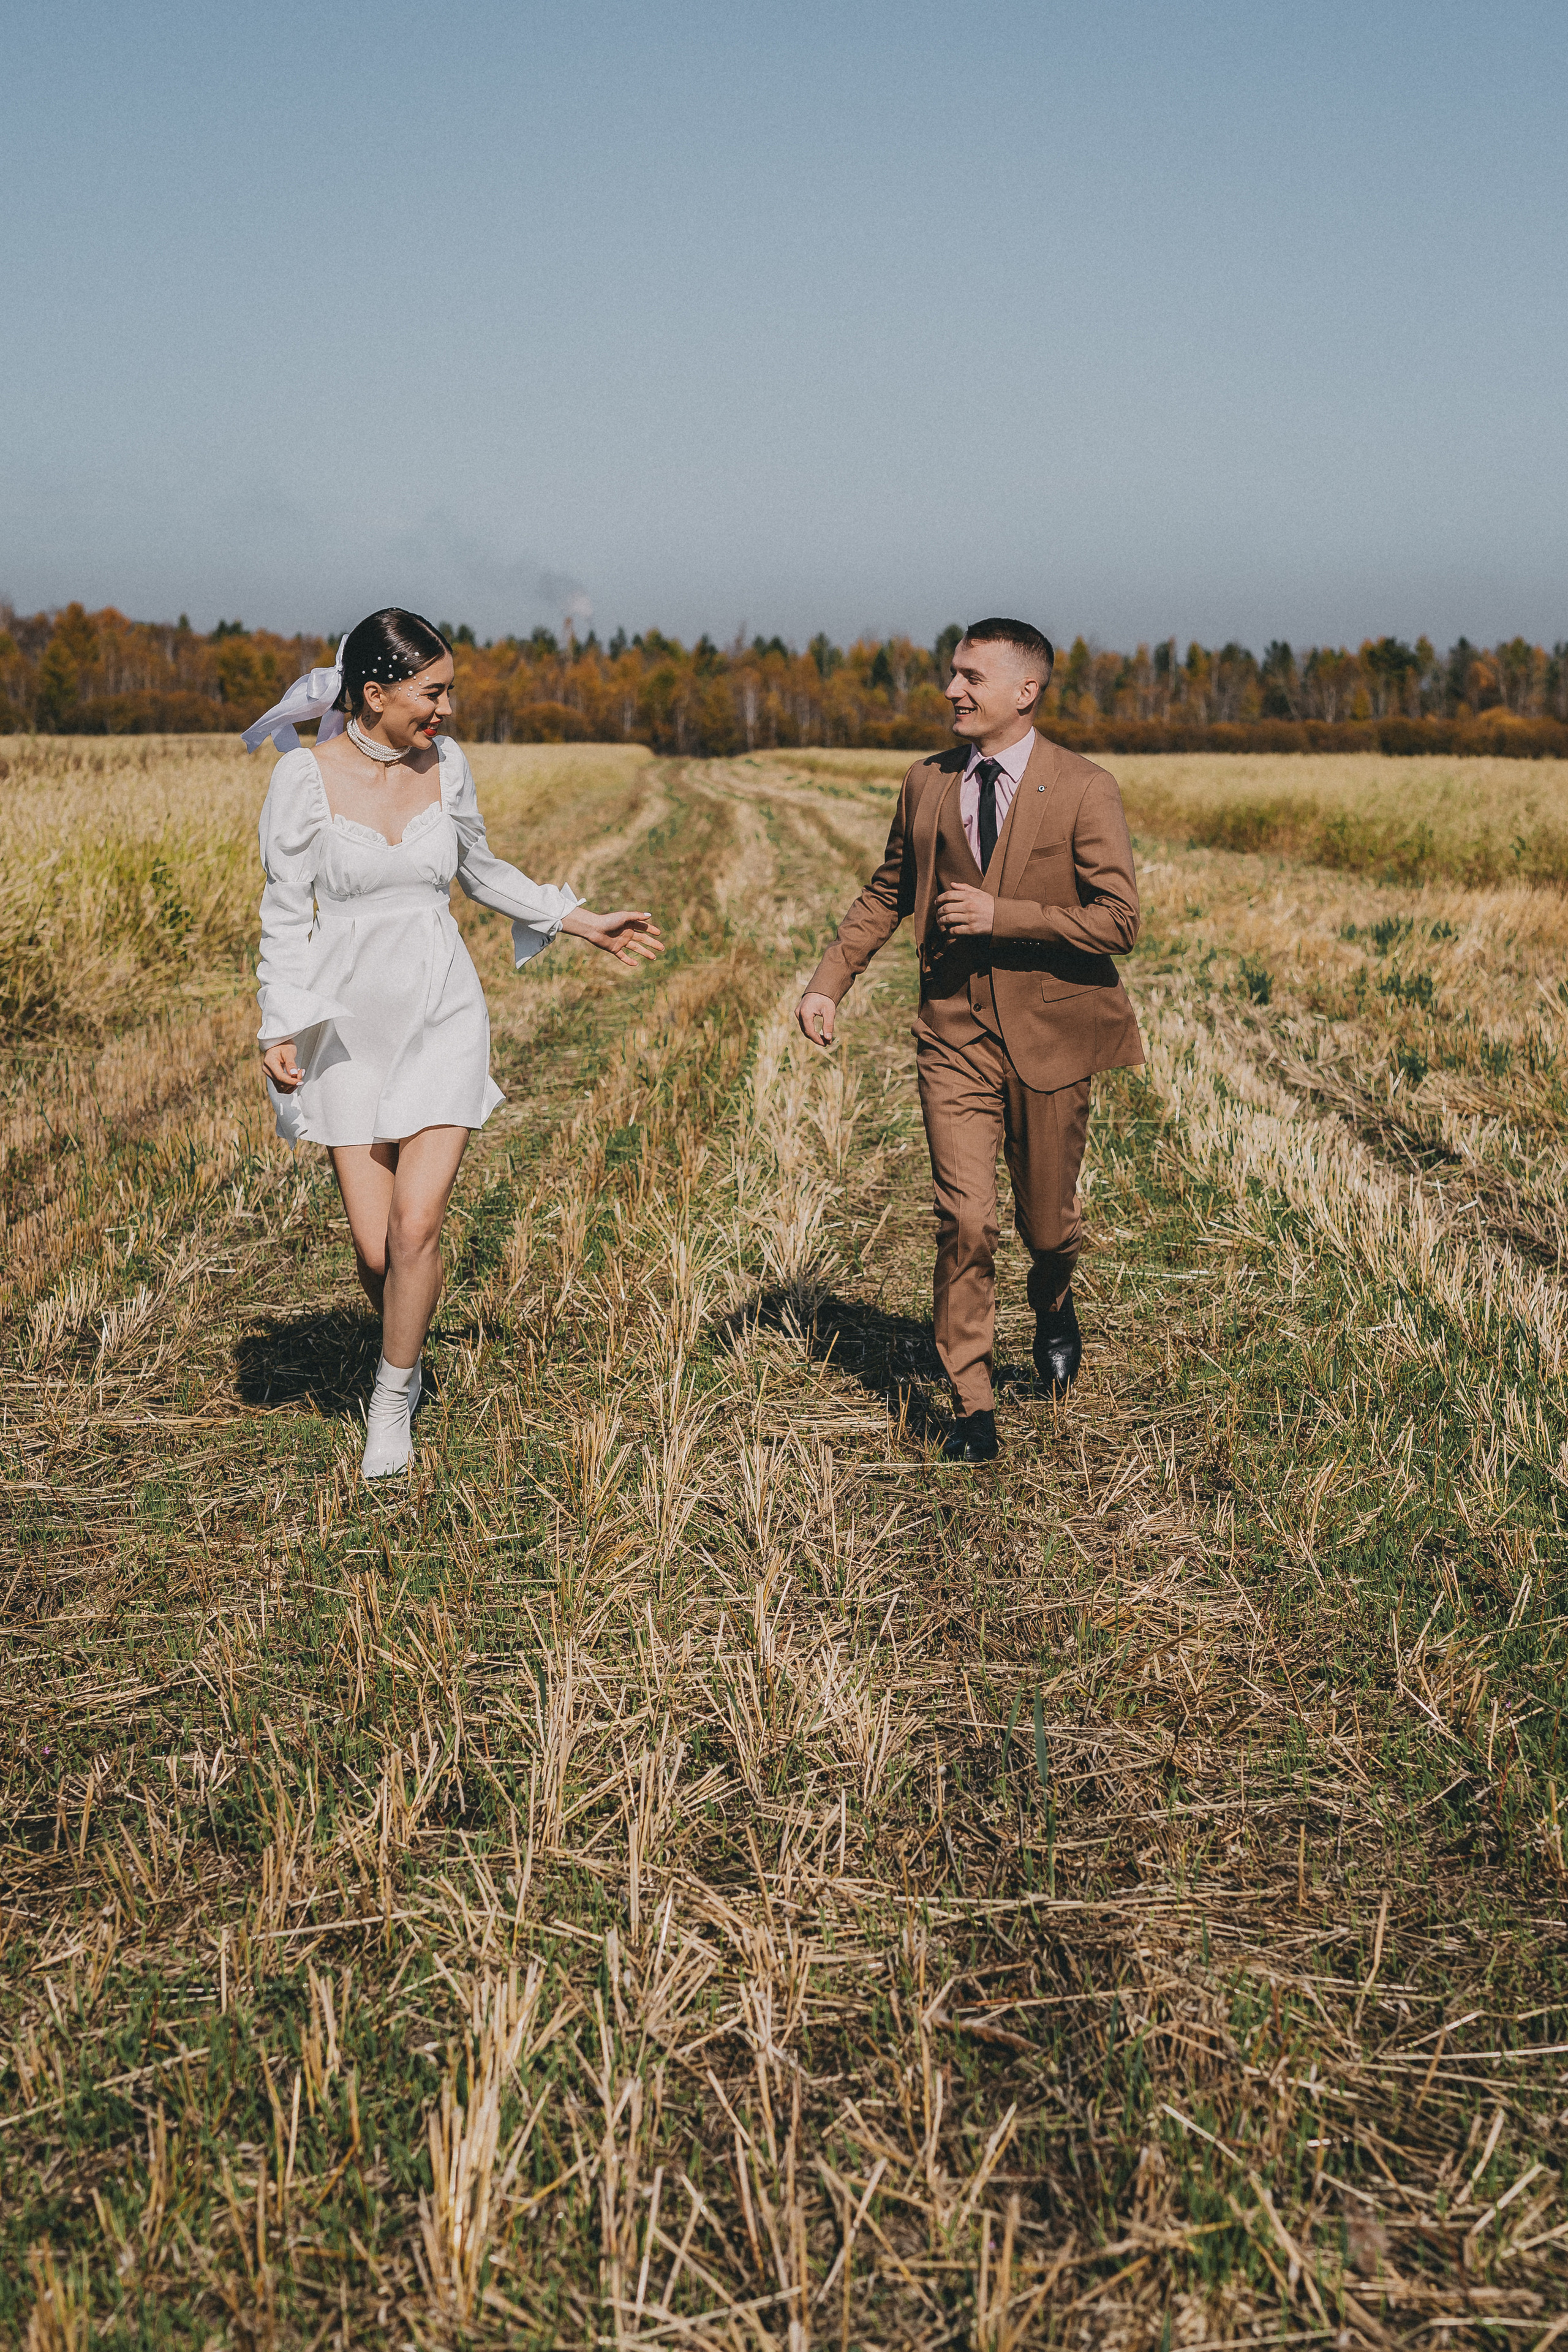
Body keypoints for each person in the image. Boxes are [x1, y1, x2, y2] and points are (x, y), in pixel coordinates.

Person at [244, 608, 662, 1480]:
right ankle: (409, 1340)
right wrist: (278, 1021)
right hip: (345, 1025)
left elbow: (480, 870)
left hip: (441, 1008)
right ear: (375, 692)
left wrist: (579, 920)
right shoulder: (302, 779)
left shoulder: (449, 765)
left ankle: (391, 1400)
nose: (446, 709)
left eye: (449, 691)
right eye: (432, 692)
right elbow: (283, 910)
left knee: (416, 1225)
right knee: (377, 1251)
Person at [796, 619, 1142, 1463]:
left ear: (1025, 692)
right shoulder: (926, 781)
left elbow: (1119, 921)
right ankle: (972, 1404)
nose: (952, 690)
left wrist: (1003, 915)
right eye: (953, 674)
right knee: (965, 1218)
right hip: (952, 1034)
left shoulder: (1085, 787)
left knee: (1047, 1227)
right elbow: (889, 891)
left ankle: (1052, 1301)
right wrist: (827, 982)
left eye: (971, 677)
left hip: (1051, 1037)